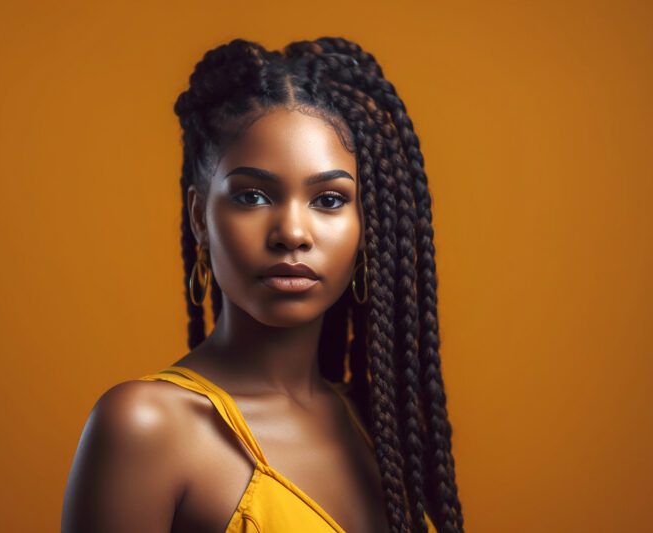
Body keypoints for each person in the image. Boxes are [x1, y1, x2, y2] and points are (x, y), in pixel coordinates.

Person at [62, 36, 464, 533]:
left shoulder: (377, 426)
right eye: (252, 196)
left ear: (369, 224)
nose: (292, 233)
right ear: (199, 218)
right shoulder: (147, 427)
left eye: (330, 200)